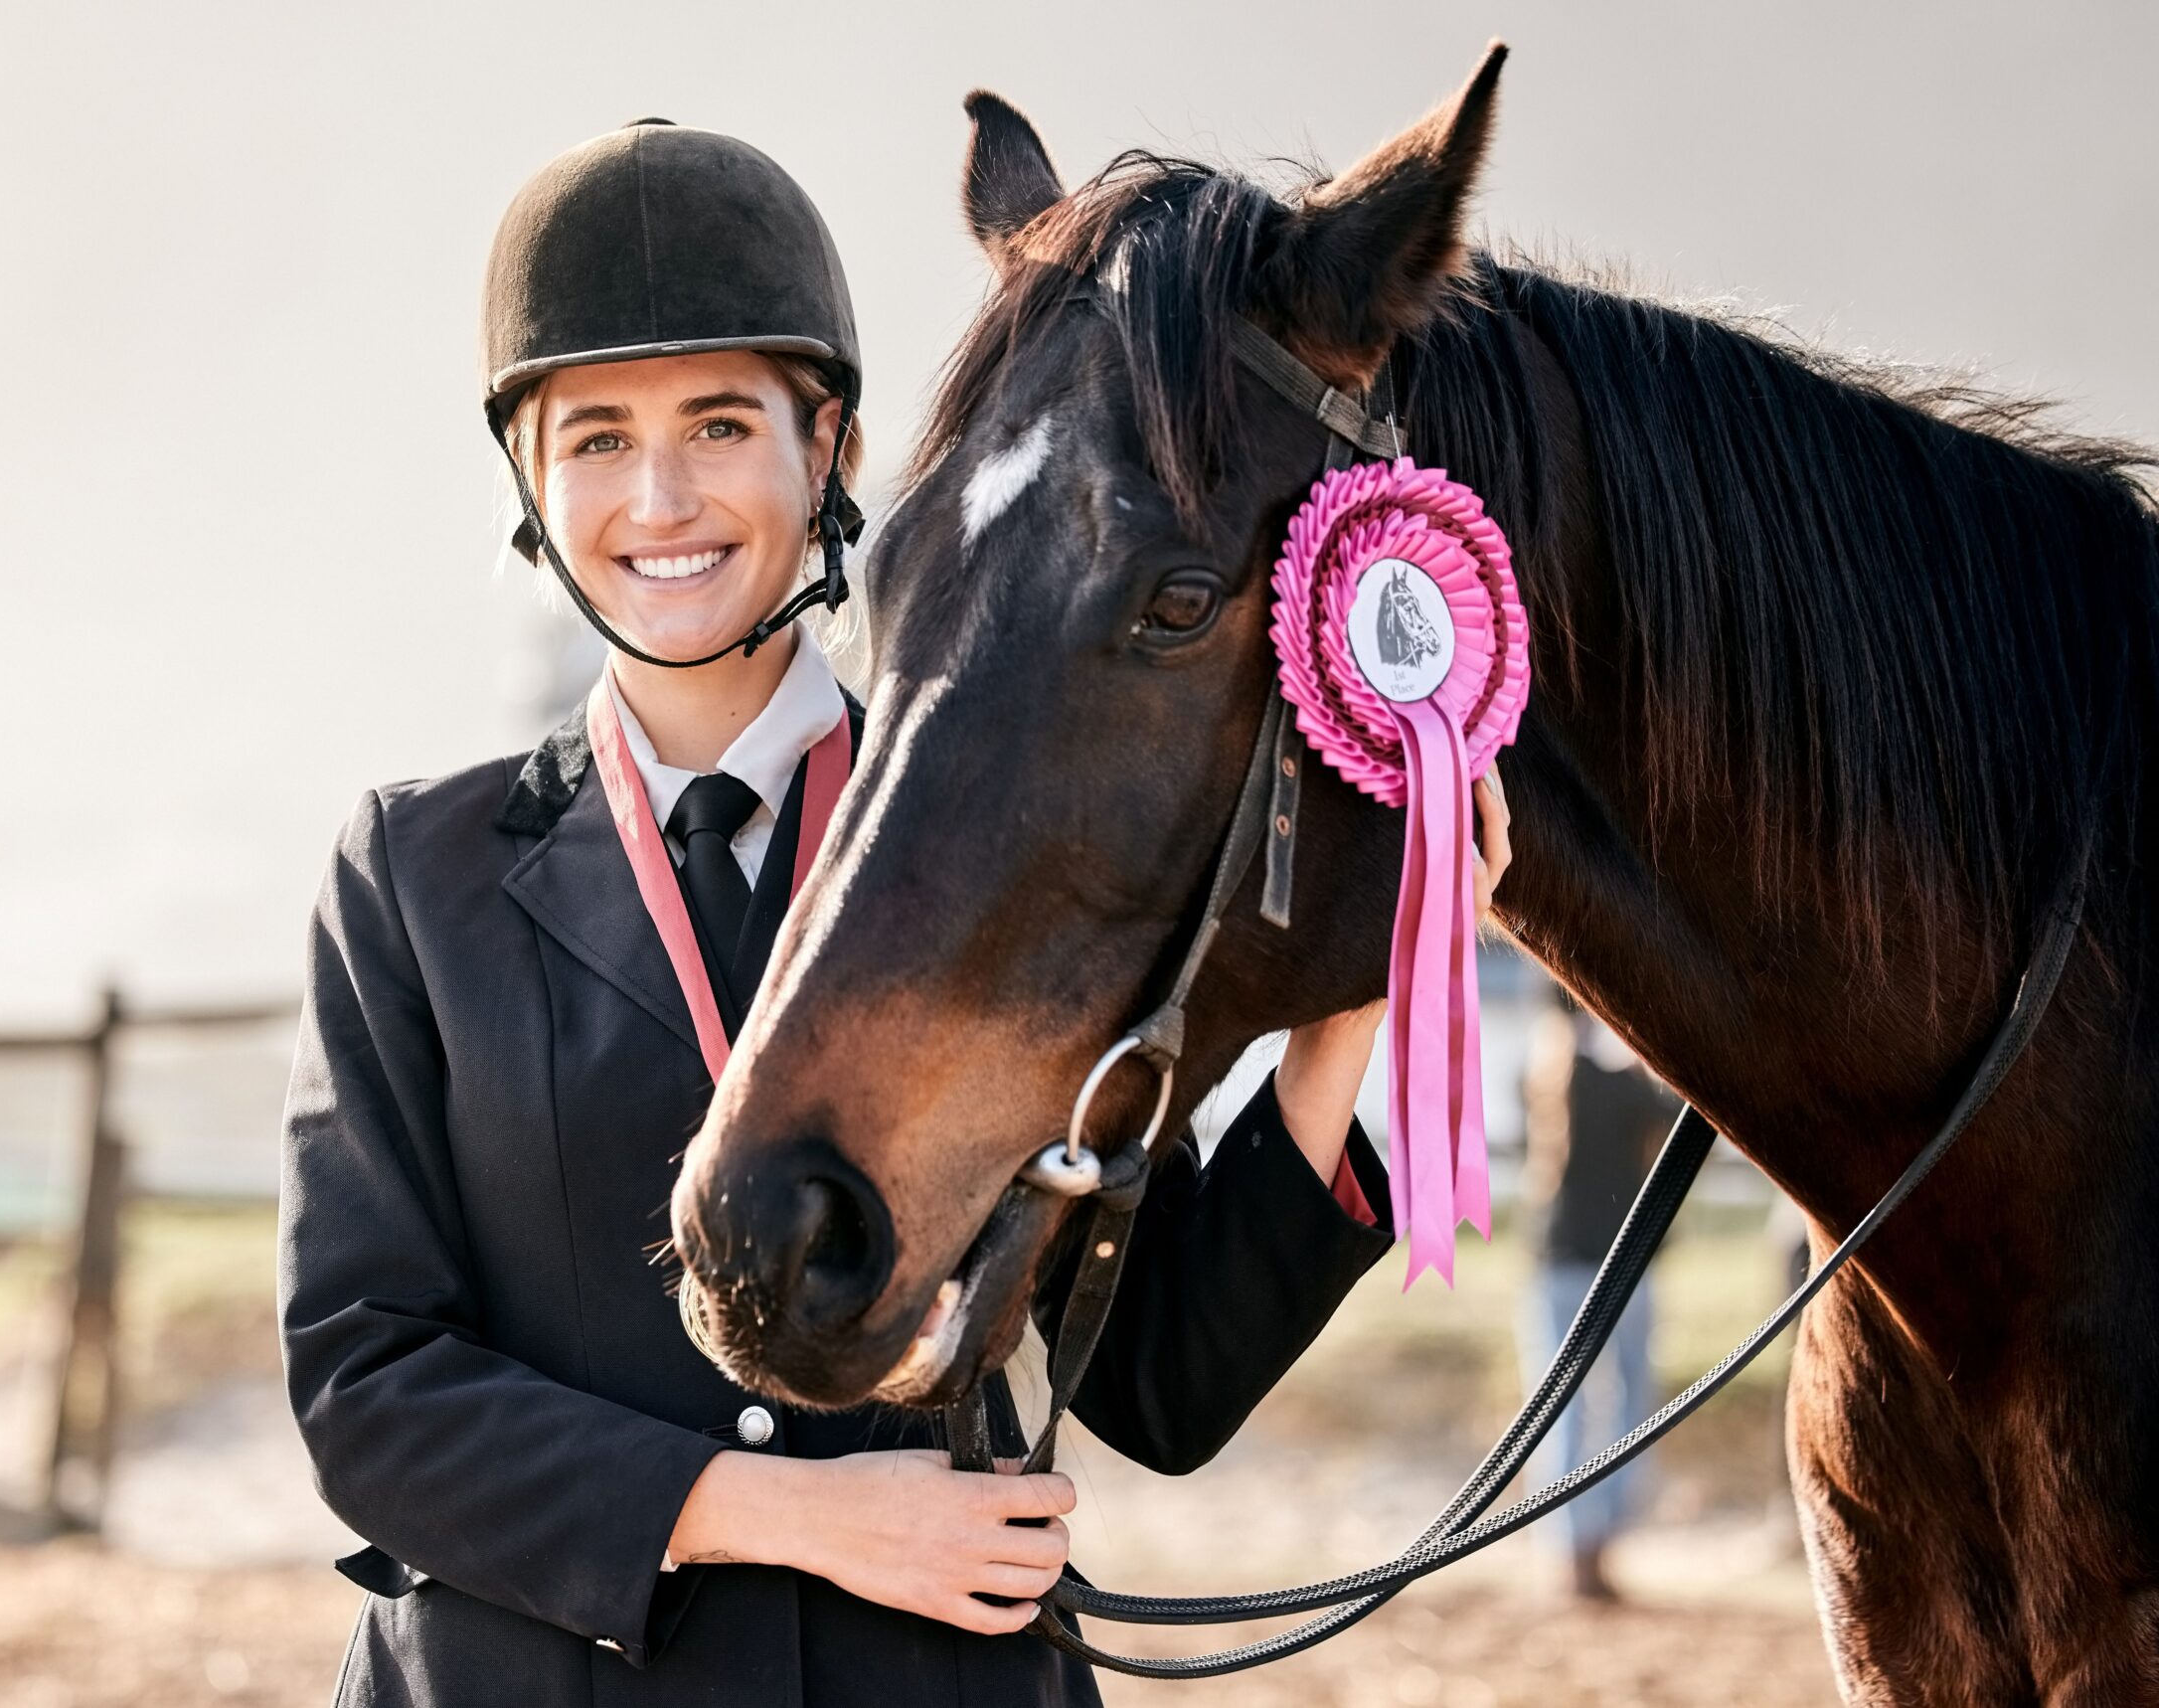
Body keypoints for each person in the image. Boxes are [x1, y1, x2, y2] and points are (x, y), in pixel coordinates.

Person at [276, 117, 1503, 1706]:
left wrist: (1362, 997)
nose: (660, 498)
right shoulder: (410, 877)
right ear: (529, 477)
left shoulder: (1011, 838)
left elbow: (1165, 1379)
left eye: (722, 425)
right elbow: (371, 1387)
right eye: (594, 439)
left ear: (831, 449)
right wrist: (800, 1516)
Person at [1516, 985, 1681, 1602]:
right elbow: (1672, 1120)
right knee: (1627, 1404)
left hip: (1559, 1261)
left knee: (1559, 1410)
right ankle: (1600, 1543)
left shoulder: (1542, 1079)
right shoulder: (1620, 1083)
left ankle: (1568, 1550)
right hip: (1623, 1264)